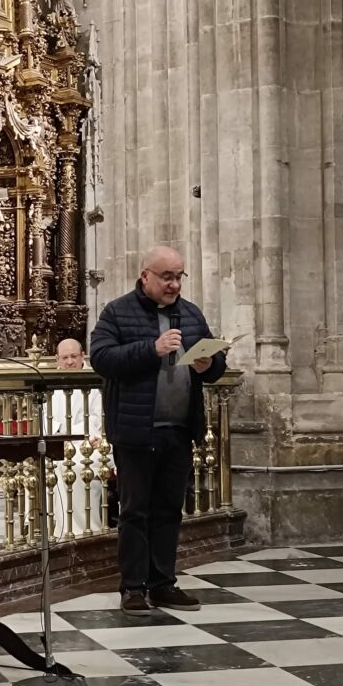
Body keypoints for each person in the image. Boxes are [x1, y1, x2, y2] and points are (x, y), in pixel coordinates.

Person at [90, 246, 226, 616]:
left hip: (179, 429)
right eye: (167, 277)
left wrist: (208, 364)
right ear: (144, 275)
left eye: (179, 276)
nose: (174, 284)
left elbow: (217, 367)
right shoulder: (117, 312)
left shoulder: (191, 313)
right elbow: (102, 358)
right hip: (136, 430)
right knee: (135, 511)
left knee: (169, 509)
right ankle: (133, 588)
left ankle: (163, 583)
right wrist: (151, 349)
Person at [50, 338, 104, 535]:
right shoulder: (50, 383)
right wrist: (60, 435)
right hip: (58, 444)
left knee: (75, 467)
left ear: (83, 357)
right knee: (52, 465)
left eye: (74, 356)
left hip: (90, 444)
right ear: (57, 359)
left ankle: (86, 530)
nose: (70, 362)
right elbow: (45, 418)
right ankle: (61, 529)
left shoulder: (95, 380)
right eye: (65, 357)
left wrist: (70, 435)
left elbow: (97, 419)